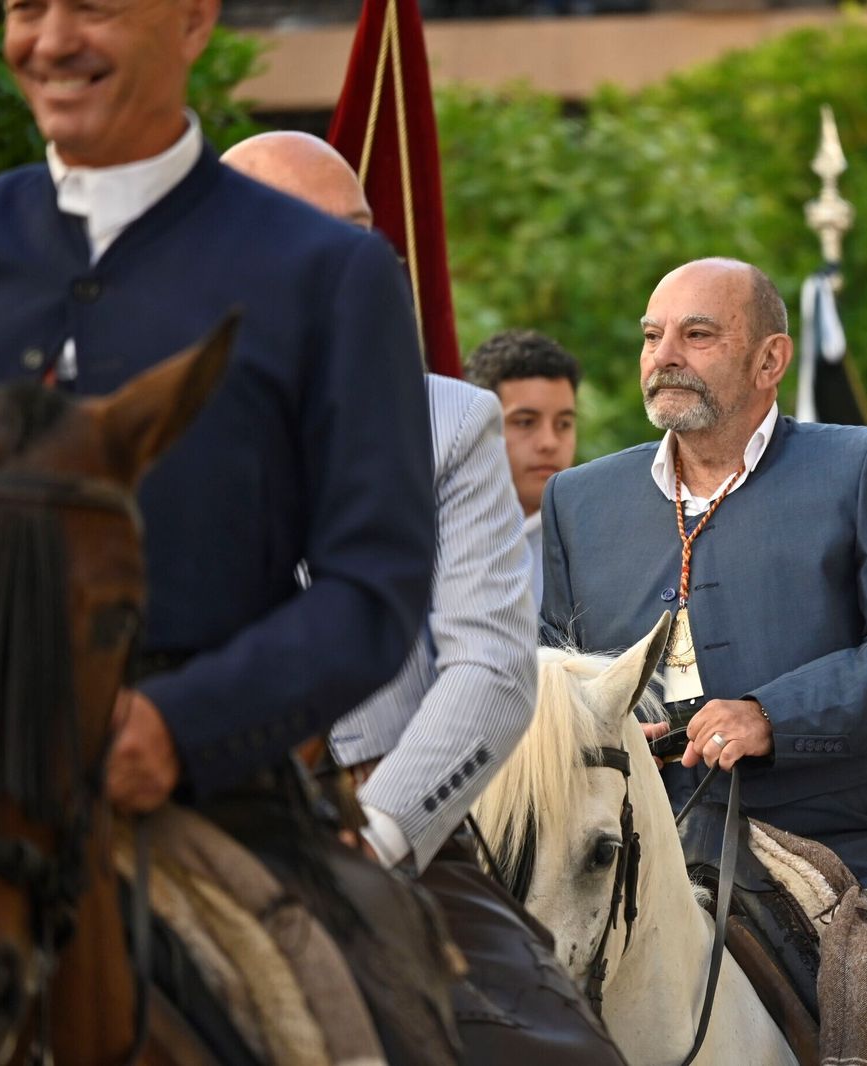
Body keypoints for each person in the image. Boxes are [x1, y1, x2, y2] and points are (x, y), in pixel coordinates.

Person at [0, 1, 448, 1055]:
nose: (51, 40)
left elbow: (374, 587)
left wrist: (182, 727)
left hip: (206, 792)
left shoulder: (331, 273)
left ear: (192, 21)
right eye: (25, 7)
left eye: (93, 6)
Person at [539, 257, 867, 1064]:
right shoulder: (580, 499)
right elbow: (557, 677)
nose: (665, 355)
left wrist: (771, 716)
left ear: (771, 360)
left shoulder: (862, 465)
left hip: (824, 832)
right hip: (621, 834)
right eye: (653, 336)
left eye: (698, 335)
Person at [222, 130, 625, 1066]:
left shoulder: (450, 421)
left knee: (567, 1055)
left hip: (386, 821)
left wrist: (377, 837)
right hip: (181, 805)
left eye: (366, 238)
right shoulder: (134, 402)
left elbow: (492, 669)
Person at [466, 330, 580, 606]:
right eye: (525, 422)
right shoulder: (436, 536)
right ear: (477, 427)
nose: (549, 442)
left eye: (563, 424)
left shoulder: (593, 542)